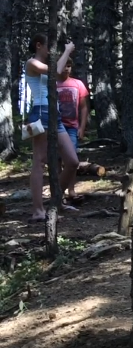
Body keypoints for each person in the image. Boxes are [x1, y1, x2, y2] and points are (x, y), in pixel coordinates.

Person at [24, 35, 80, 223]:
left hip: (55, 115)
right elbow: (56, 71)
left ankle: (56, 201)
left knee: (72, 161)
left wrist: (65, 55)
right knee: (39, 161)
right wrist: (66, 51)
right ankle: (38, 210)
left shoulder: (47, 64)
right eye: (49, 47)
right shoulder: (32, 63)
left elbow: (60, 73)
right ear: (38, 45)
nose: (51, 51)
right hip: (41, 113)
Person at [56, 57, 90, 205]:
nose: (66, 68)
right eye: (64, 65)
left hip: (71, 127)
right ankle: (58, 191)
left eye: (69, 66)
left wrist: (82, 128)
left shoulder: (78, 84)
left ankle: (71, 190)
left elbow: (83, 107)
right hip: (56, 127)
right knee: (56, 159)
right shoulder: (52, 84)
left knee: (71, 160)